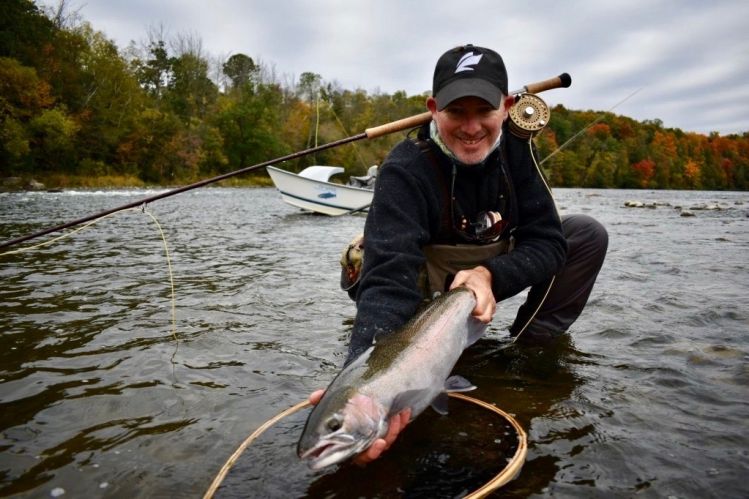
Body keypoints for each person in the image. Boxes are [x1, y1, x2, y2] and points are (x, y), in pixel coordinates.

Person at [310, 44, 608, 464]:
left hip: (481, 285)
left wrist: (490, 275)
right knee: (371, 274)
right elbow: (388, 279)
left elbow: (548, 242)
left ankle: (524, 349)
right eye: (456, 112)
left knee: (584, 234)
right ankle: (417, 351)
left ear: (506, 108)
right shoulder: (405, 168)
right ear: (434, 109)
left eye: (483, 111)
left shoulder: (517, 152)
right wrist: (358, 379)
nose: (471, 128)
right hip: (418, 286)